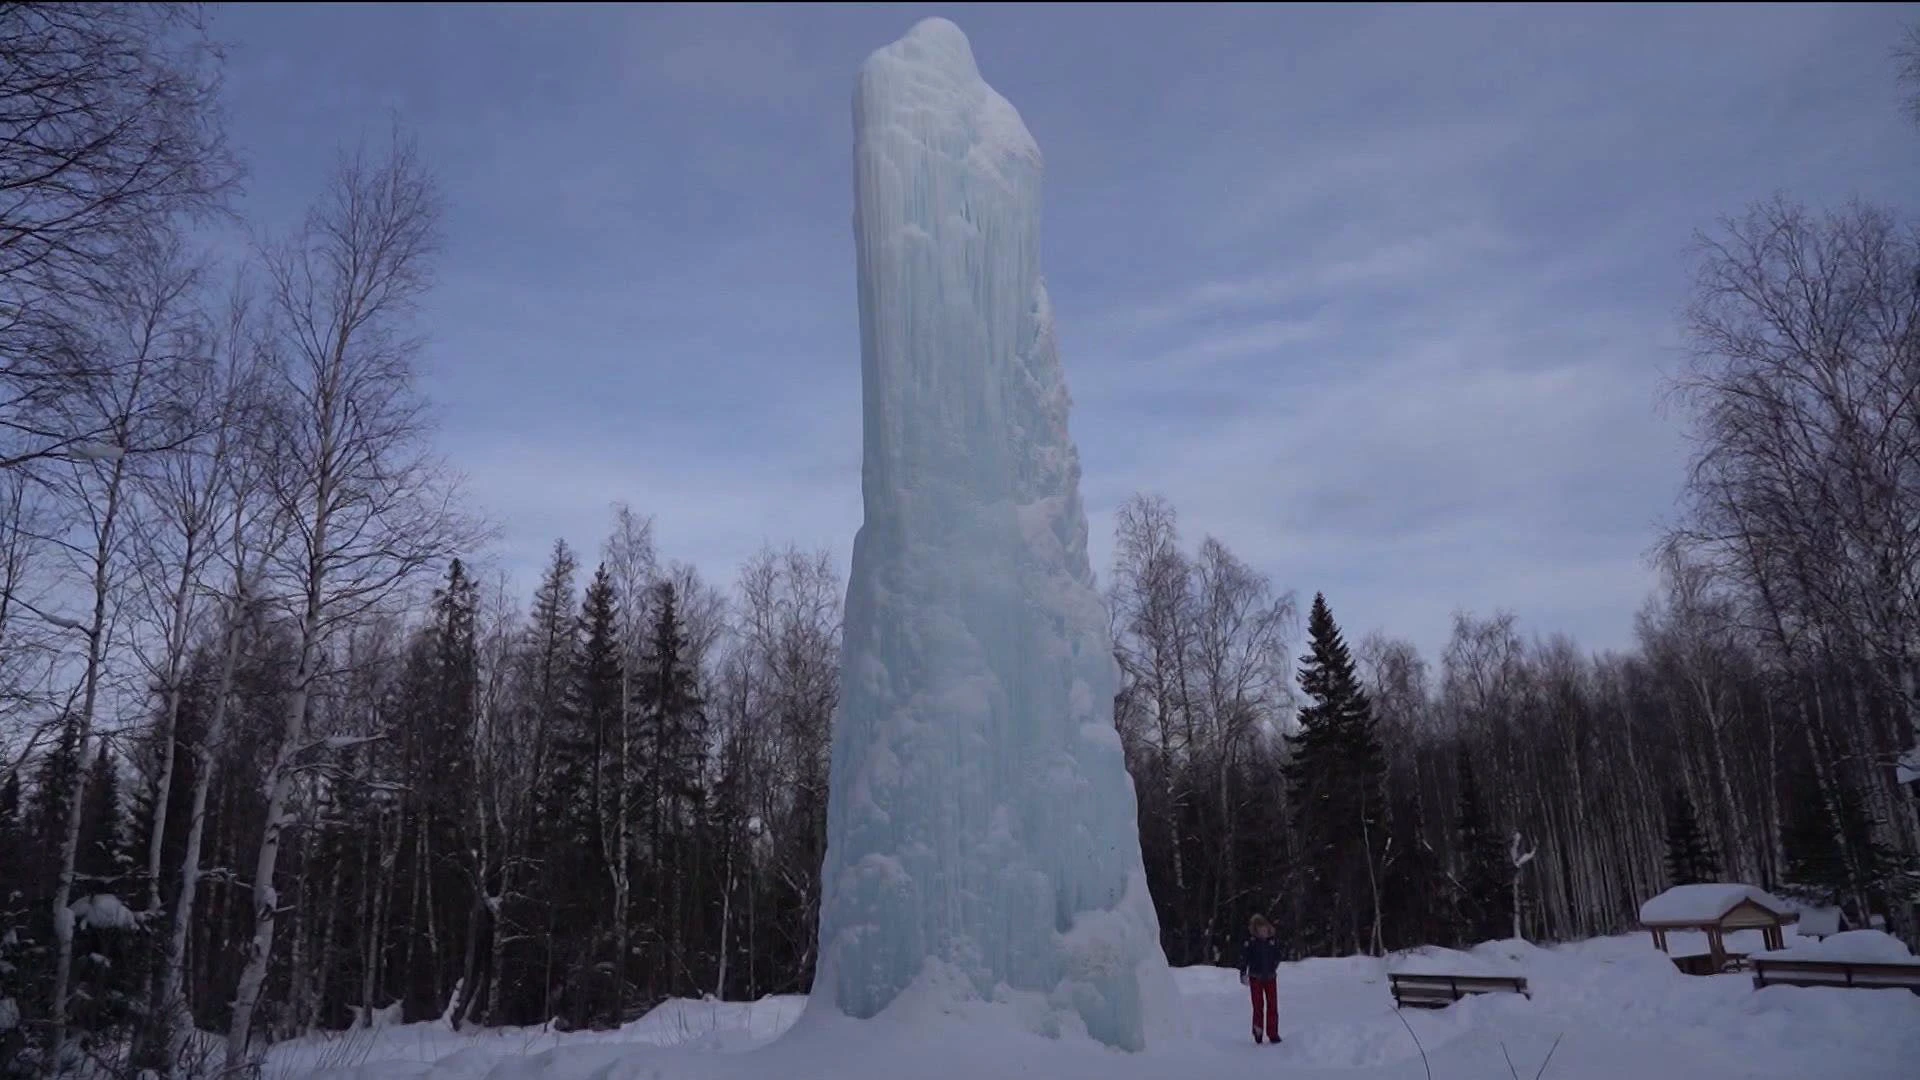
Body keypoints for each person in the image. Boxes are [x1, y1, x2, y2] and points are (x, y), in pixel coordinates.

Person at [1238, 913, 1282, 1045]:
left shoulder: (1272, 942)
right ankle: (1258, 1031)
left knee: (1272, 1005)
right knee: (1258, 1006)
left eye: (1264, 928)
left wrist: (1273, 966)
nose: (1263, 932)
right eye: (1259, 929)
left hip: (1270, 977)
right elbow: (1244, 959)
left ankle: (1273, 1033)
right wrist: (1243, 973)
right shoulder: (1251, 943)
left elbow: (1278, 955)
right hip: (1255, 978)